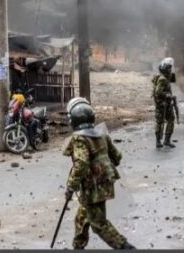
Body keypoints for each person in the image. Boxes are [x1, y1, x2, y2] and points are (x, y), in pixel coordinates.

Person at [63, 97, 135, 250]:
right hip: (103, 183)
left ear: (73, 120)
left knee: (98, 223)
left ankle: (125, 247)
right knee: (82, 217)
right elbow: (117, 156)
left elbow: (81, 163)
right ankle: (78, 247)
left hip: (93, 187)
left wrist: (70, 186)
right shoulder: (101, 134)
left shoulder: (80, 138)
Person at [152, 57, 176, 149]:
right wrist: (167, 95)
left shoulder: (161, 76)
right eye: (169, 68)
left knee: (160, 121)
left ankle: (160, 141)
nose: (170, 69)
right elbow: (158, 91)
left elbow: (172, 79)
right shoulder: (162, 79)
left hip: (161, 103)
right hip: (164, 103)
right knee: (169, 120)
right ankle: (165, 141)